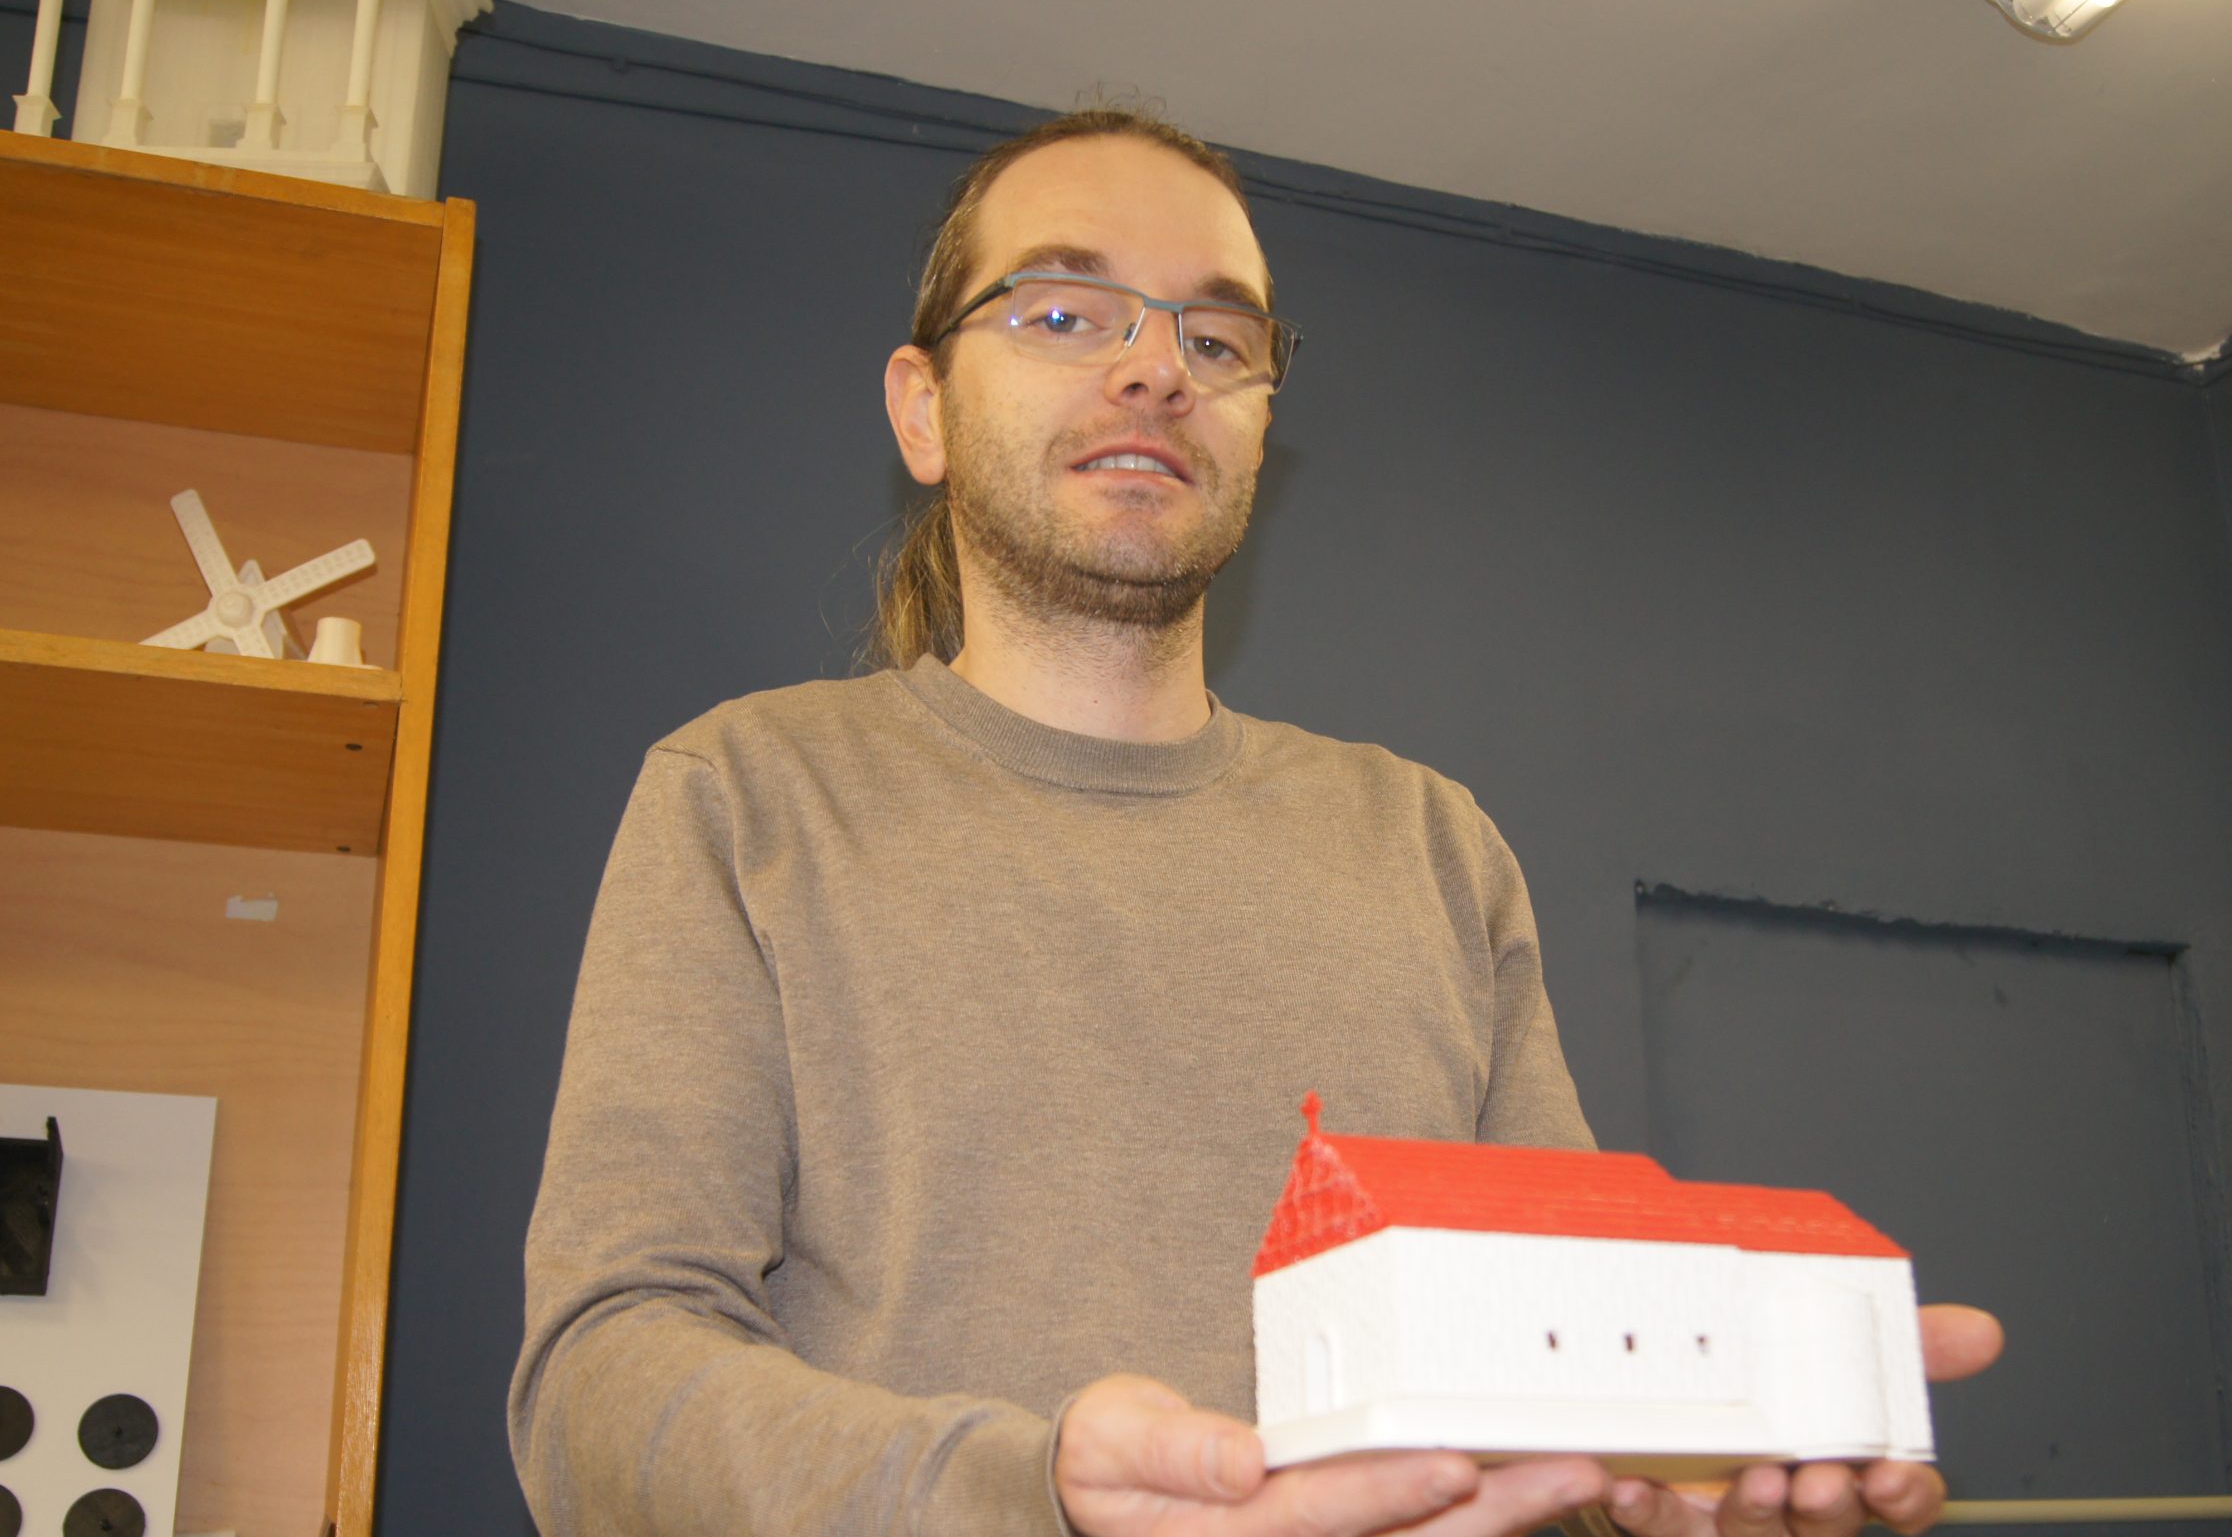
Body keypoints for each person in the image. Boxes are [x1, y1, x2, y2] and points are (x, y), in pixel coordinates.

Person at [509, 109, 2002, 1537]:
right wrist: (1031, 1492)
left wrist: (1695, 1472)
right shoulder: (747, 794)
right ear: (924, 409)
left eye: (1217, 340)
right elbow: (601, 1384)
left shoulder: (1431, 845)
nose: (1157, 371)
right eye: (1065, 313)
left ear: (1261, 422)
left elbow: (1564, 1382)